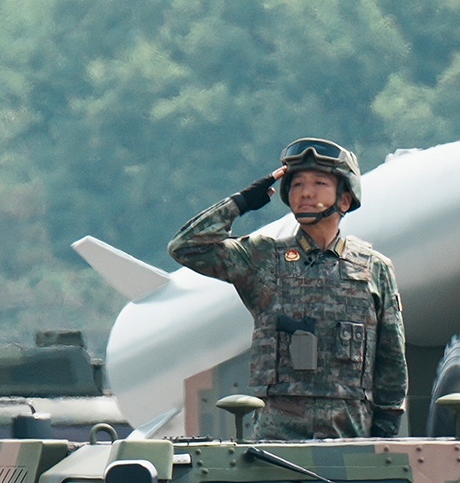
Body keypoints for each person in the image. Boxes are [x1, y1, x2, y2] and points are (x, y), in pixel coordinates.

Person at [167, 137, 404, 440]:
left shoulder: (374, 268)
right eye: (297, 184)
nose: (306, 192)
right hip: (277, 440)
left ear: (344, 200)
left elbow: (391, 364)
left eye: (319, 183)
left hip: (349, 436)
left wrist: (382, 443)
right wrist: (242, 203)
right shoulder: (263, 259)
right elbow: (185, 247)